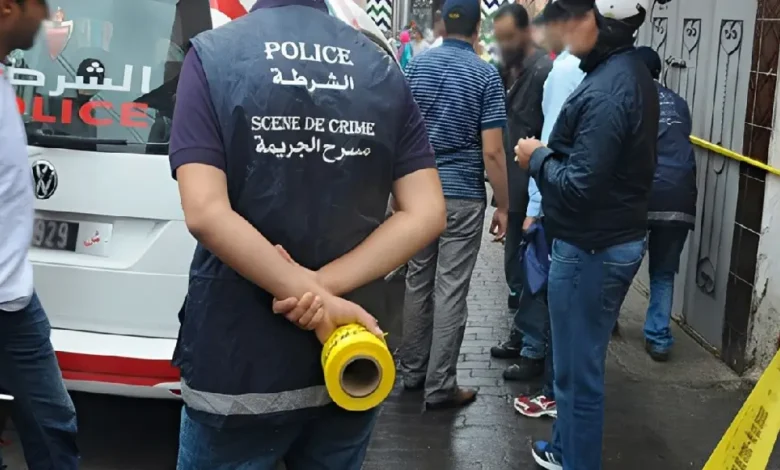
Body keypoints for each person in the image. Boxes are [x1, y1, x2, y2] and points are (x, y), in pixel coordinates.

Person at [169, 0, 447, 467]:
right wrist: (325, 293)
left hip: (239, 360)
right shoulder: (379, 65)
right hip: (350, 351)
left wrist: (307, 290)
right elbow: (427, 211)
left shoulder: (214, 56)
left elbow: (205, 212)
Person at [513, 0, 658, 468]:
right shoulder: (622, 75)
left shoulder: (609, 89)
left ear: (601, 22)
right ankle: (564, 450)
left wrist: (537, 158)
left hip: (592, 249)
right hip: (600, 242)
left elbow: (579, 187)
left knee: (578, 377)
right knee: (575, 373)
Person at [399, 0, 509, 410]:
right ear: (478, 28)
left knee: (417, 280)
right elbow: (493, 151)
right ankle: (440, 384)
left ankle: (412, 371)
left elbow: (399, 132)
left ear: (442, 24)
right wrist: (503, 205)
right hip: (462, 195)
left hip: (418, 193)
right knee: (450, 289)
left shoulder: (416, 67)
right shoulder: (485, 75)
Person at [0, 1, 80, 469]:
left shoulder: (4, 74)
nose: (47, 15)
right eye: (40, 5)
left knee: (53, 426)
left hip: (16, 301)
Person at [511, 3, 586, 420]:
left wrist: (535, 207)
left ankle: (553, 391)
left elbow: (550, 144)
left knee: (555, 295)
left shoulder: (564, 71)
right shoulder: (613, 73)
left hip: (561, 202)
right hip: (590, 208)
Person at [488, 3, 552, 382]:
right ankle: (521, 334)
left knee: (532, 273)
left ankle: (531, 346)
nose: (503, 44)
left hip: (533, 193)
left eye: (509, 37)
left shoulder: (543, 72)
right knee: (515, 269)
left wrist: (536, 204)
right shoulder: (505, 70)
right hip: (512, 192)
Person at [634, 46, 697, 363]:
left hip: (643, 192)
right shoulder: (680, 103)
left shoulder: (632, 98)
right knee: (663, 272)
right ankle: (658, 338)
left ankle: (605, 323)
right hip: (680, 196)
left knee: (620, 261)